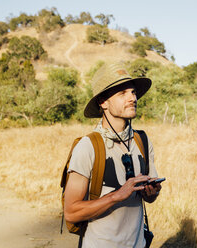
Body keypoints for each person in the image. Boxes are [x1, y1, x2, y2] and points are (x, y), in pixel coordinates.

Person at [64, 62, 162, 248]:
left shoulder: (142, 141)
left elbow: (149, 199)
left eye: (133, 92)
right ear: (103, 102)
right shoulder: (88, 146)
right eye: (122, 93)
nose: (132, 98)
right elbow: (71, 212)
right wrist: (116, 196)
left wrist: (152, 193)